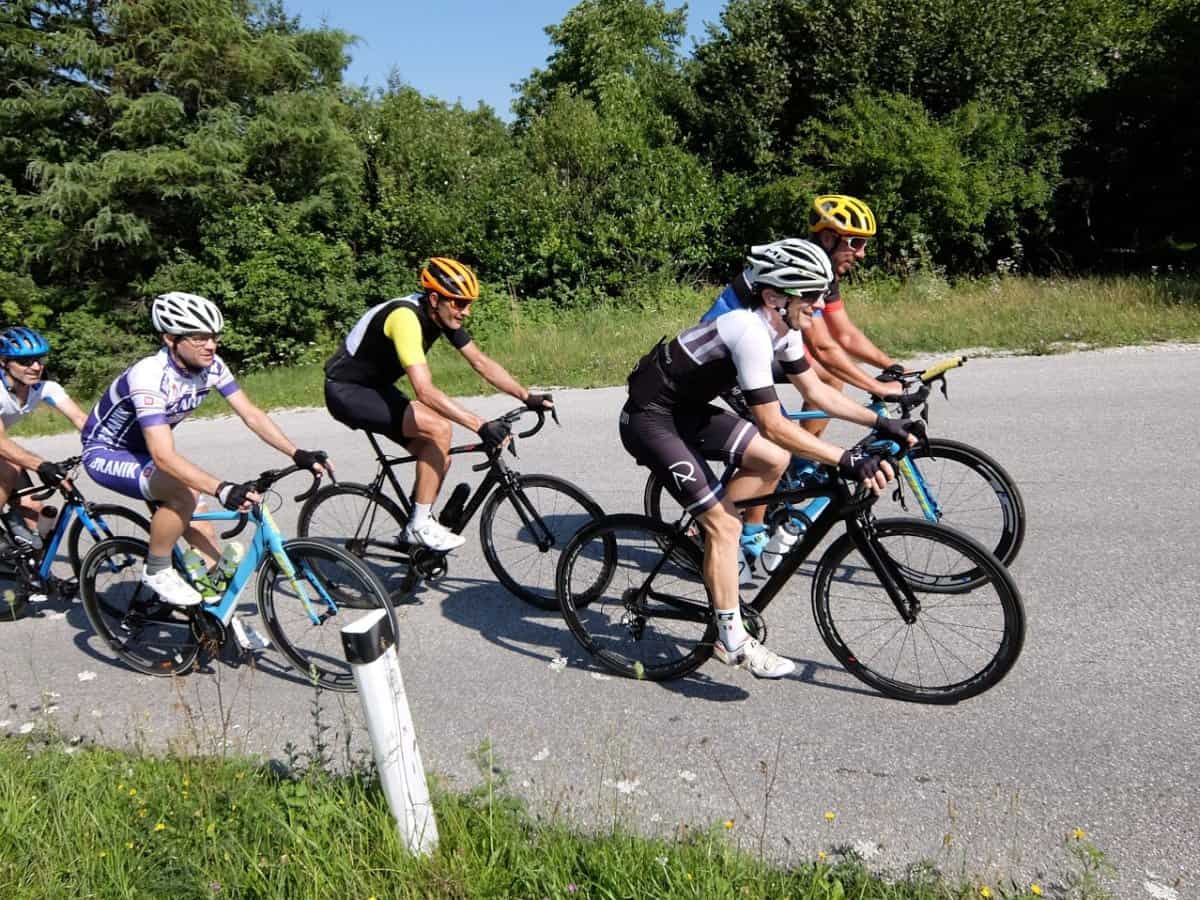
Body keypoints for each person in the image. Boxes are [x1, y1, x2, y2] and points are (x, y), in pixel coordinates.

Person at [620, 239, 923, 679]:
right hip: (651, 420)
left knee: (773, 461)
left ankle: (713, 534)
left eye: (822, 294)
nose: (820, 305)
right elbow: (775, 423)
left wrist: (880, 424)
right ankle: (731, 639)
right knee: (725, 523)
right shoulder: (747, 330)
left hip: (686, 412)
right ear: (773, 298)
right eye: (811, 295)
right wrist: (846, 459)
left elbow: (816, 392)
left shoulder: (785, 330)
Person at [80, 292, 331, 630]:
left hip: (148, 452)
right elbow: (163, 455)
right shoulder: (149, 375)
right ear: (171, 339)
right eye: (199, 337)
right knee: (183, 494)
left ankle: (211, 619)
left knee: (209, 542)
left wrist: (297, 453)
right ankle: (156, 569)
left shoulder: (211, 367)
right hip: (107, 452)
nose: (210, 345)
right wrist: (222, 488)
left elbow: (252, 415)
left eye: (214, 336)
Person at [323, 257, 553, 552]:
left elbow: (480, 362)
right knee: (439, 429)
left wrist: (526, 396)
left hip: (377, 389)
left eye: (468, 303)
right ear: (435, 298)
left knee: (438, 456)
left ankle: (416, 524)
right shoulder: (405, 318)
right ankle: (419, 525)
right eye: (459, 303)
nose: (466, 311)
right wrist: (480, 425)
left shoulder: (441, 314)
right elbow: (425, 391)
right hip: (346, 391)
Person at [0, 326, 87, 551]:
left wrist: (110, 447)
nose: (36, 367)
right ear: (4, 362)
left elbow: (80, 418)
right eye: (26, 361)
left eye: (39, 360)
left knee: (41, 517)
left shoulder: (45, 388)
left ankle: (36, 575)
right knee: (10, 468)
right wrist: (42, 466)